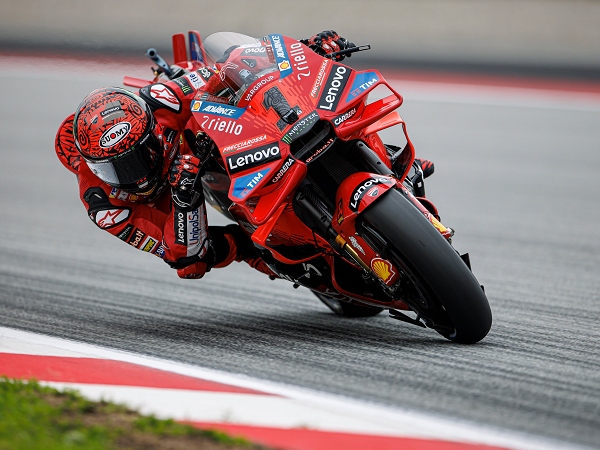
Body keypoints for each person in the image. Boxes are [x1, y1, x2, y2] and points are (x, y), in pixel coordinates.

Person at [54, 31, 433, 280]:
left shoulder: (161, 102)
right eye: (115, 167)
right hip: (176, 200)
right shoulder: (106, 205)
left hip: (210, 145)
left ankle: (391, 162)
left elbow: (229, 69)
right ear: (91, 165)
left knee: (305, 109)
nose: (132, 174)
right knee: (195, 261)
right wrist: (185, 201)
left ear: (153, 130)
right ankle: (270, 255)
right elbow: (182, 256)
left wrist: (303, 52)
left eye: (137, 157)